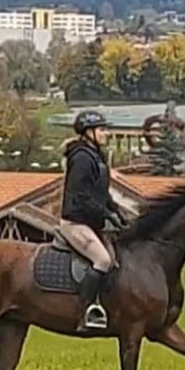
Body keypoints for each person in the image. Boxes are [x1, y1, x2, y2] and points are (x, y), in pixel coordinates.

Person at [59, 110, 127, 330]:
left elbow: (100, 193)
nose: (106, 133)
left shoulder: (96, 156)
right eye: (102, 129)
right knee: (103, 260)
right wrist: (106, 214)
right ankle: (85, 312)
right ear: (89, 133)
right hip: (75, 223)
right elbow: (81, 196)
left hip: (91, 222)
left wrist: (116, 211)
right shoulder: (81, 158)